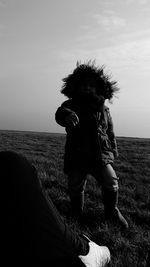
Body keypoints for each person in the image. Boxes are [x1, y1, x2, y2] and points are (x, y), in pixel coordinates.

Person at [2, 150, 110, 267]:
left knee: (11, 163)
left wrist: (110, 153)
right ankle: (80, 248)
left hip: (98, 155)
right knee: (12, 163)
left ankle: (108, 214)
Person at [55, 61, 128, 229]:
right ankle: (76, 212)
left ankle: (112, 212)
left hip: (100, 155)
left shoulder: (104, 108)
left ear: (98, 88)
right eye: (83, 86)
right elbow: (60, 113)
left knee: (111, 181)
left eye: (91, 85)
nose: (87, 88)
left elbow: (110, 130)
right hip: (77, 154)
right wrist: (67, 117)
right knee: (75, 184)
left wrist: (113, 149)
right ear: (76, 87)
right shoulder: (70, 105)